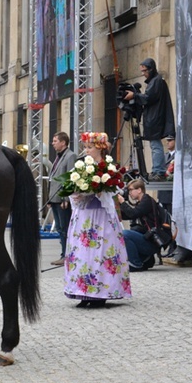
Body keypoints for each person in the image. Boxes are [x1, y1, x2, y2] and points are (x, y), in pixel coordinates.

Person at [64, 132, 131, 308]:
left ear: (99, 148)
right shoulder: (81, 167)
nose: (86, 151)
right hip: (84, 216)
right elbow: (74, 187)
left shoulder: (108, 168)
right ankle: (83, 291)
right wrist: (77, 193)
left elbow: (114, 191)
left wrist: (99, 190)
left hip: (101, 217)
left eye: (89, 147)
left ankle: (101, 293)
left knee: (101, 252)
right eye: (85, 147)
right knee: (83, 254)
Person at [123, 58, 176, 181]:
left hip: (154, 118)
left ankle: (159, 171)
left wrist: (134, 96)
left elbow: (148, 97)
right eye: (142, 71)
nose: (143, 73)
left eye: (145, 70)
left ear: (151, 69)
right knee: (154, 145)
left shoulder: (156, 81)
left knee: (155, 146)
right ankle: (158, 170)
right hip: (154, 117)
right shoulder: (155, 81)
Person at [117, 179, 161, 272]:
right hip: (150, 240)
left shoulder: (147, 200)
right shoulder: (141, 202)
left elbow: (133, 213)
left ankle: (135, 264)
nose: (129, 193)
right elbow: (128, 215)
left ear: (139, 190)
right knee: (133, 230)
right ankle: (145, 259)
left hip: (153, 242)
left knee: (124, 234)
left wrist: (123, 202)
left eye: (131, 190)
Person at [47, 131, 77, 266]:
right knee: (59, 228)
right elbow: (53, 178)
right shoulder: (58, 156)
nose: (52, 143)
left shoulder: (70, 156)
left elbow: (70, 178)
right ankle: (63, 253)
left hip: (62, 199)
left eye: (55, 141)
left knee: (64, 227)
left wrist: (66, 198)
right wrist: (49, 198)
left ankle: (66, 254)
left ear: (63, 142)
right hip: (54, 198)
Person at [158, 135, 175, 215]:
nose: (167, 143)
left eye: (170, 140)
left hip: (172, 191)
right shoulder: (164, 156)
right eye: (167, 141)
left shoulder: (178, 155)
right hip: (163, 191)